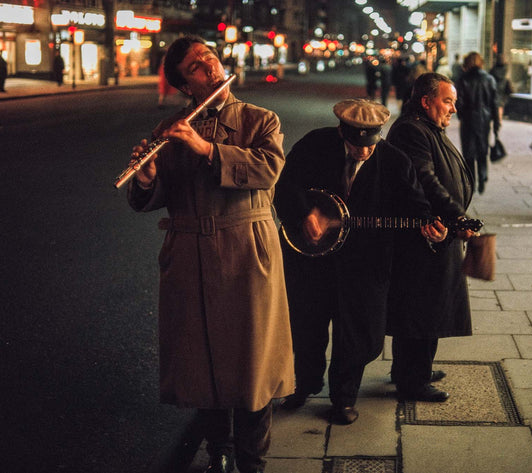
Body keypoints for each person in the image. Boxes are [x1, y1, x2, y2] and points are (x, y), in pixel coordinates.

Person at [125, 35, 294, 473]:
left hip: (246, 255)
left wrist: (204, 148)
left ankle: (253, 461)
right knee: (205, 364)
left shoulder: (261, 119)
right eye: (196, 67)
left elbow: (268, 169)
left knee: (251, 365)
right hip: (191, 258)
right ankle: (218, 449)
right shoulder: (172, 128)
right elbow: (163, 193)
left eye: (210, 57)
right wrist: (146, 179)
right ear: (186, 85)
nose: (209, 66)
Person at [274, 98, 446, 424]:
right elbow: (285, 185)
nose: (363, 151)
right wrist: (305, 213)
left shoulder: (394, 161)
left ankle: (344, 397)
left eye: (370, 144)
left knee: (356, 334)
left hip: (365, 263)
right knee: (307, 325)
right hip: (312, 258)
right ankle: (305, 383)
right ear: (341, 131)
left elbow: (415, 204)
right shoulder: (315, 145)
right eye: (356, 144)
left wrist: (430, 227)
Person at [386, 73, 476, 402]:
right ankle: (414, 379)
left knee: (426, 306)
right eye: (447, 101)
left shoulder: (424, 126)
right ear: (427, 101)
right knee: (424, 307)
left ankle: (410, 369)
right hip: (425, 233)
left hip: (436, 230)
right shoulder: (412, 129)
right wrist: (458, 216)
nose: (454, 108)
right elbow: (425, 178)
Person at [454, 51, 500, 194]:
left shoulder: (463, 80)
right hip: (484, 120)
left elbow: (459, 102)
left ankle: (471, 181)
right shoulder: (489, 79)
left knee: (468, 152)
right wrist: (496, 121)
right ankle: (483, 177)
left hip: (468, 119)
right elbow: (494, 103)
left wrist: (461, 116)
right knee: (482, 149)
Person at [489, 53, 514, 121]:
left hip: (495, 89)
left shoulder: (493, 70)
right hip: (503, 89)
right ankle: (499, 121)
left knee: (494, 105)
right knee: (500, 106)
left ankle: (494, 120)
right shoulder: (506, 69)